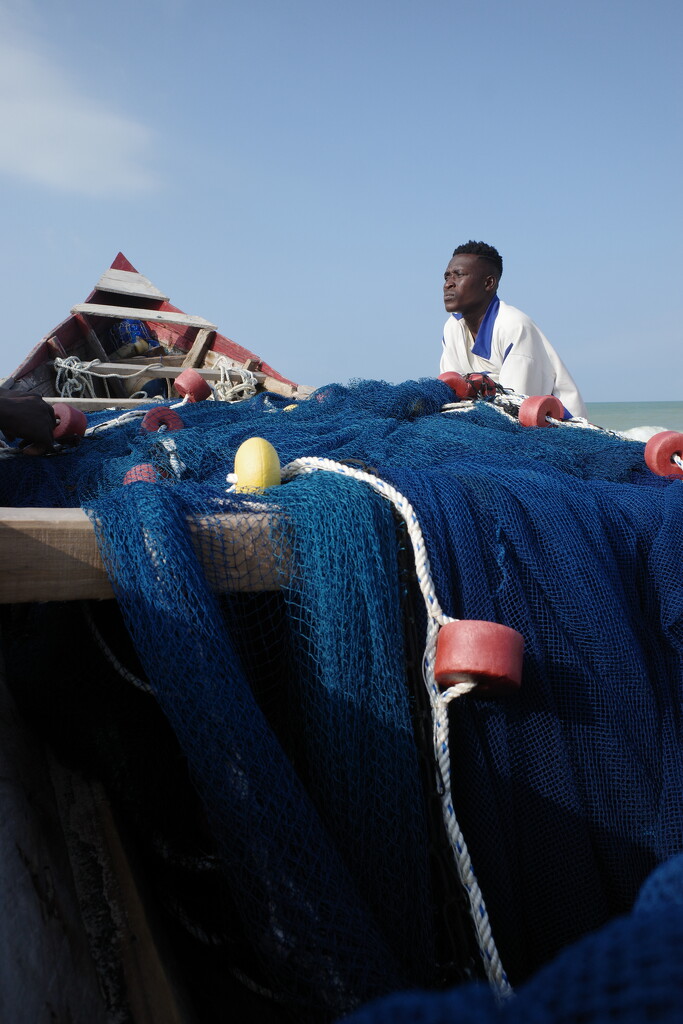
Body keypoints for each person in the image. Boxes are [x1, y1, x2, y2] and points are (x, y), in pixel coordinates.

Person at [440, 241, 587, 419]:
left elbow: (515, 406)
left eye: (459, 275)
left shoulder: (514, 326)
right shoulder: (452, 328)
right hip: (491, 421)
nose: (448, 284)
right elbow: (452, 390)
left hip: (556, 427)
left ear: (489, 283)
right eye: (447, 277)